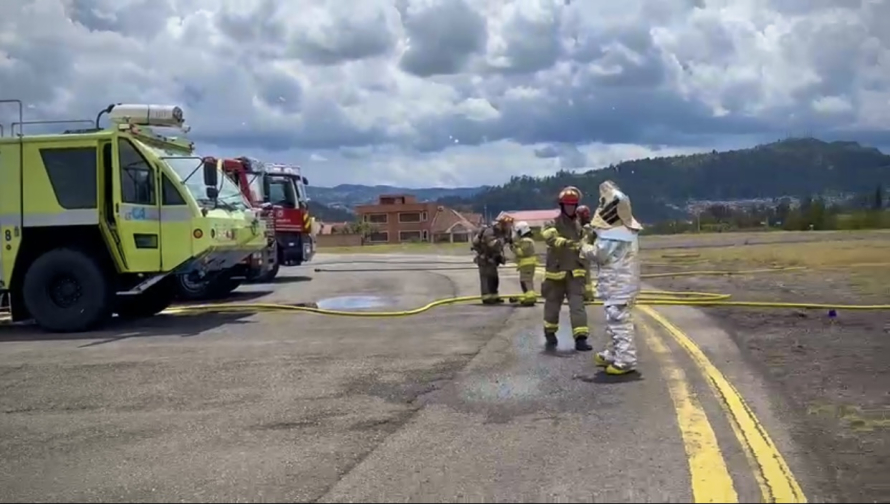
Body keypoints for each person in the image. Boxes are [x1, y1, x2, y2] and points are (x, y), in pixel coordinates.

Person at [582, 180, 643, 375]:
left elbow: (600, 254)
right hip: (619, 284)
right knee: (614, 320)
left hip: (619, 285)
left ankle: (625, 360)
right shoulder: (621, 231)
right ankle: (613, 353)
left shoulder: (615, 235)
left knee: (619, 321)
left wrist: (584, 246)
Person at [540, 186, 592, 351]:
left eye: (573, 205)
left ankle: (581, 339)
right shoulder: (552, 223)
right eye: (567, 205)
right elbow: (550, 237)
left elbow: (588, 244)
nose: (570, 208)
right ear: (562, 206)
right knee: (552, 306)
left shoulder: (580, 227)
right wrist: (565, 242)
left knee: (578, 306)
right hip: (555, 275)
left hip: (575, 275)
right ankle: (550, 334)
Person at [471, 214, 514, 304]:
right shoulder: (490, 231)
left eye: (510, 224)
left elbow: (509, 243)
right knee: (486, 278)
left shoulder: (505, 232)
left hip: (493, 258)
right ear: (501, 224)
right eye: (507, 224)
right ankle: (487, 298)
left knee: (494, 278)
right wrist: (502, 241)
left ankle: (494, 296)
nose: (509, 226)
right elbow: (492, 245)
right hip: (484, 257)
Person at [509, 220, 538, 306]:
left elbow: (522, 253)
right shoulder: (526, 240)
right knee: (527, 281)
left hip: (527, 264)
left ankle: (529, 298)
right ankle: (529, 297)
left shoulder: (526, 240)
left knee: (525, 281)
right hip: (527, 264)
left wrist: (513, 247)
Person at [576, 204, 596, 302]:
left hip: (582, 253)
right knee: (586, 275)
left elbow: (580, 240)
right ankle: (588, 294)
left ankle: (585, 294)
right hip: (587, 253)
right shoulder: (591, 227)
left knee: (581, 275)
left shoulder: (583, 228)